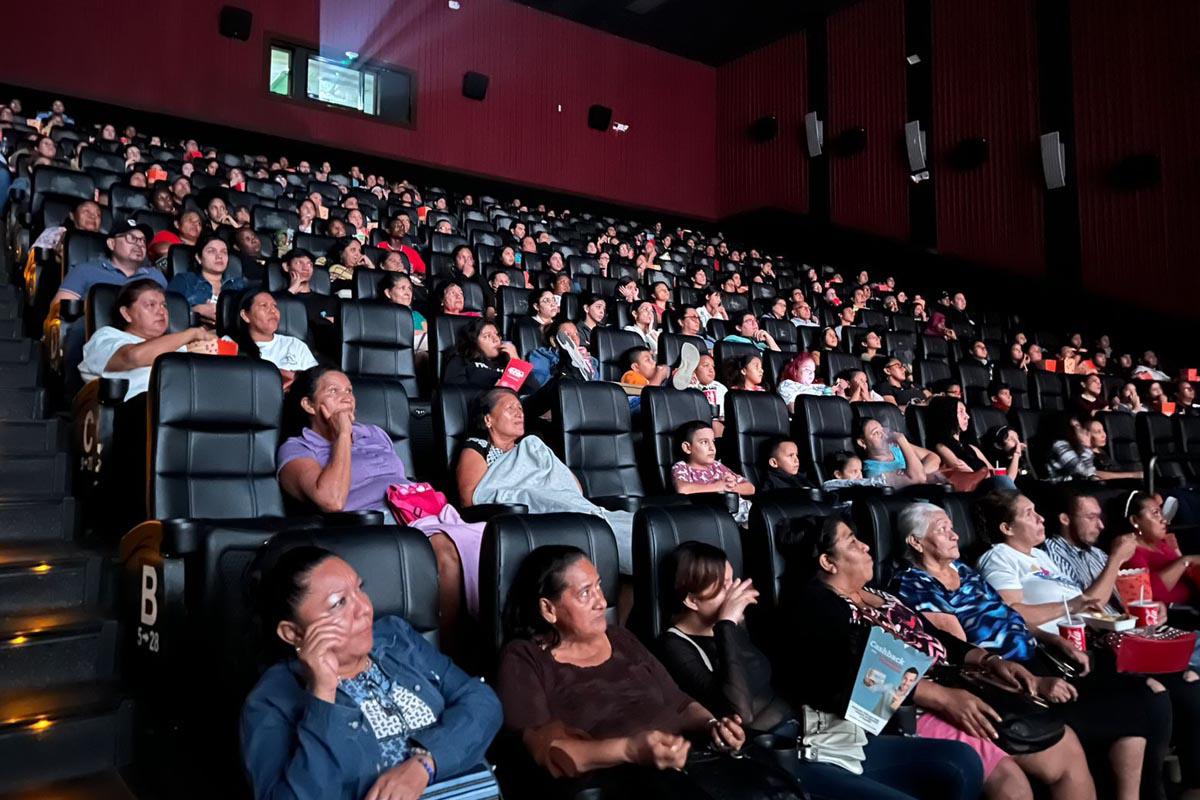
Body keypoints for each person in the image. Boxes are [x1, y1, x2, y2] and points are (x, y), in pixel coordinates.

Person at [657, 541, 984, 800]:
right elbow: (738, 712)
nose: (735, 592)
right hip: (774, 755)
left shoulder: (743, 620)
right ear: (692, 601)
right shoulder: (675, 645)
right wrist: (727, 624)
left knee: (963, 760)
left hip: (816, 729)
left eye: (732, 580)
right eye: (723, 587)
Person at [777, 515, 1065, 800]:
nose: (866, 546)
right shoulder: (818, 605)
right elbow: (854, 673)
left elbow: (934, 636)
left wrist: (989, 661)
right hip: (909, 709)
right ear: (828, 562)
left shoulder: (878, 594)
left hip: (955, 685)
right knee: (1009, 782)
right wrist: (943, 698)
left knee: (1065, 747)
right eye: (852, 542)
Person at [497, 546, 803, 800]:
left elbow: (678, 702)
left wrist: (712, 725)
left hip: (688, 763)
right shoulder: (525, 658)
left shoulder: (620, 638)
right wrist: (631, 750)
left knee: (783, 790)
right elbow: (550, 751)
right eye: (585, 593)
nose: (602, 602)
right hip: (621, 782)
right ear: (548, 609)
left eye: (599, 586)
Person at [240, 545, 502, 800]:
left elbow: (482, 701)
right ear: (293, 633)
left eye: (360, 588)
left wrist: (426, 764)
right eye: (339, 603)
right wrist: (323, 696)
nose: (365, 608)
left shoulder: (396, 638)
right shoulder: (270, 701)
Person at [966, 493, 1171, 799]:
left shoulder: (1041, 557)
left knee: (1154, 694)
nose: (1040, 518)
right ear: (1006, 528)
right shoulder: (1000, 557)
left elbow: (1086, 605)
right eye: (1028, 513)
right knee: (1141, 704)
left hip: (1082, 646)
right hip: (1050, 659)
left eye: (1037, 510)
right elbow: (1010, 613)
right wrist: (1074, 607)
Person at [277, 368, 489, 626]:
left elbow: (398, 480)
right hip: (371, 527)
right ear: (309, 405)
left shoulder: (375, 434)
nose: (347, 397)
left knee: (493, 541)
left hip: (417, 513)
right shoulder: (298, 448)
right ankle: (451, 646)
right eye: (333, 391)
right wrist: (343, 435)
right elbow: (331, 500)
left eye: (349, 390)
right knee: (445, 548)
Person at [1045, 488, 1200, 793]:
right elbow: (1088, 604)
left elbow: (1127, 604)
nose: (1101, 525)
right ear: (1065, 519)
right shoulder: (1052, 554)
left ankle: (1193, 785)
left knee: (1192, 682)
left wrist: (1155, 609)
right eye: (1091, 517)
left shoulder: (1097, 554)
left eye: (1100, 517)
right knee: (1166, 692)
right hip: (1099, 646)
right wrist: (1116, 559)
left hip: (1133, 637)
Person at [455, 389, 636, 572]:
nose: (519, 413)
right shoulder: (478, 448)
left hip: (572, 508)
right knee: (615, 535)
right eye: (510, 408)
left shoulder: (532, 449)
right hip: (534, 519)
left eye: (520, 408)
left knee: (629, 526)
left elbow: (573, 488)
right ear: (488, 419)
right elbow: (472, 498)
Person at [80, 278, 217, 401]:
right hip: (142, 407)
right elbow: (133, 357)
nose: (161, 311)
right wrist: (191, 333)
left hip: (193, 400)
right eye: (151, 305)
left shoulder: (180, 345)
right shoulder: (106, 336)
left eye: (164, 305)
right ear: (126, 313)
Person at [1118, 491, 1200, 616]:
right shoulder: (1131, 552)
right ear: (1135, 520)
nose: (1164, 520)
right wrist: (1185, 561)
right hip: (1178, 615)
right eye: (1155, 513)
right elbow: (1146, 595)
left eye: (1161, 513)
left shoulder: (1161, 544)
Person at [53, 220, 167, 309]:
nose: (139, 244)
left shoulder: (156, 276)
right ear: (112, 244)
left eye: (143, 240)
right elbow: (58, 310)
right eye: (131, 238)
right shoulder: (85, 270)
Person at [228, 291, 317, 389]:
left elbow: (316, 382)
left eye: (274, 306)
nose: (273, 310)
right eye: (264, 305)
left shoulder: (294, 345)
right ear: (245, 315)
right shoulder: (230, 345)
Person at [670, 422, 753, 525]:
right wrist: (718, 487)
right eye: (704, 442)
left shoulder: (717, 466)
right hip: (715, 516)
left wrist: (730, 486)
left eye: (713, 441)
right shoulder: (682, 467)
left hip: (745, 511)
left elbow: (750, 488)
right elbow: (682, 489)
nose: (712, 448)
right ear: (687, 448)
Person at [926, 396, 1016, 492]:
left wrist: (1016, 454)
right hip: (975, 491)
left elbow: (996, 474)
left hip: (992, 488)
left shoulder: (972, 448)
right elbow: (968, 475)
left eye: (965, 412)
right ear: (948, 415)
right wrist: (987, 474)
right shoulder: (941, 446)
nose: (967, 416)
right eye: (961, 412)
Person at [167, 232, 250, 326]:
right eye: (211, 251)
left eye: (224, 252)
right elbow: (168, 310)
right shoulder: (185, 280)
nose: (219, 256)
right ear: (199, 258)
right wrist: (195, 310)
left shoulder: (238, 285)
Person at [442, 319, 541, 394]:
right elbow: (455, 393)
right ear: (474, 342)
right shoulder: (461, 360)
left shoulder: (507, 363)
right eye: (487, 336)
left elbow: (533, 390)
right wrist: (492, 391)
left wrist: (516, 361)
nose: (495, 339)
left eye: (497, 334)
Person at [1045, 414, 1137, 482]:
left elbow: (1089, 473)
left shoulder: (1087, 449)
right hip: (1061, 489)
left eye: (1078, 425)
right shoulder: (1060, 445)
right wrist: (1132, 475)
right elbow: (1085, 473)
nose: (1079, 429)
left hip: (1081, 487)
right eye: (1076, 426)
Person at [854, 417, 940, 484]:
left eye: (883, 430)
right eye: (876, 433)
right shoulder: (874, 471)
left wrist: (922, 471)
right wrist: (902, 440)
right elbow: (919, 478)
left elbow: (933, 457)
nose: (884, 436)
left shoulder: (895, 448)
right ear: (862, 442)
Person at [280, 248, 338, 329]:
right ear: (286, 267)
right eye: (299, 263)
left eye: (309, 264)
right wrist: (291, 290)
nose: (305, 268)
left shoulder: (328, 301)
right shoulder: (277, 298)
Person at [377, 273, 428, 356]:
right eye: (402, 288)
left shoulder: (416, 315)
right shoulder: (383, 315)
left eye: (410, 289)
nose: (408, 293)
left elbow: (430, 335)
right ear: (388, 293)